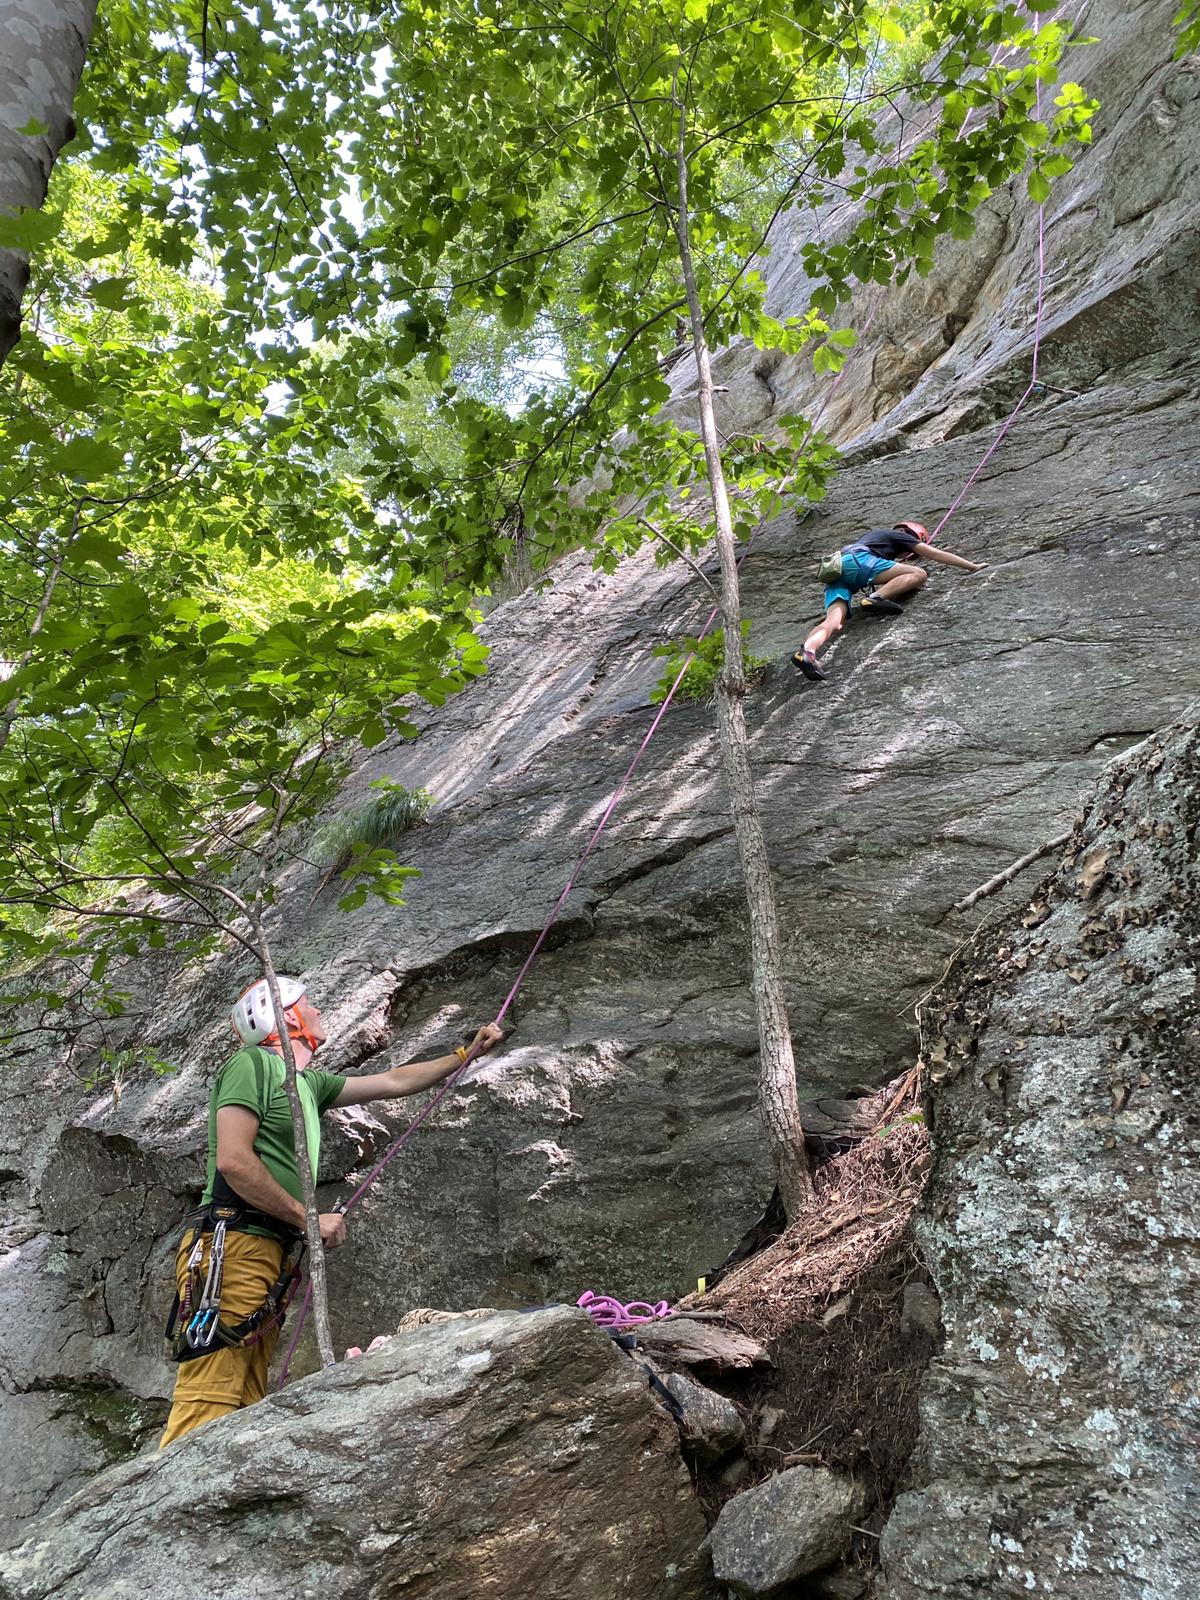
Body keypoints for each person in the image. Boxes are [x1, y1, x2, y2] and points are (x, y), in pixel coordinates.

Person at [160, 976, 503, 1446]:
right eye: (310, 1004)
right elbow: (234, 1161)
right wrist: (306, 1217)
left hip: (265, 1251)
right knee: (212, 1393)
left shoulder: (308, 1083)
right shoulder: (253, 1064)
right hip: (232, 1244)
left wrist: (465, 1055)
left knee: (244, 1402)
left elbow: (393, 1081)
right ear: (287, 1018)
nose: (320, 1011)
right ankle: (171, 1509)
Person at [793, 519, 987, 681]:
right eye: (911, 550)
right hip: (859, 561)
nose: (907, 555)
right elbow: (935, 554)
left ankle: (808, 652)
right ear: (909, 533)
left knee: (834, 622)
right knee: (919, 573)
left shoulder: (875, 540)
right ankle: (876, 598)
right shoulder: (899, 535)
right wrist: (972, 567)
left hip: (835, 571)